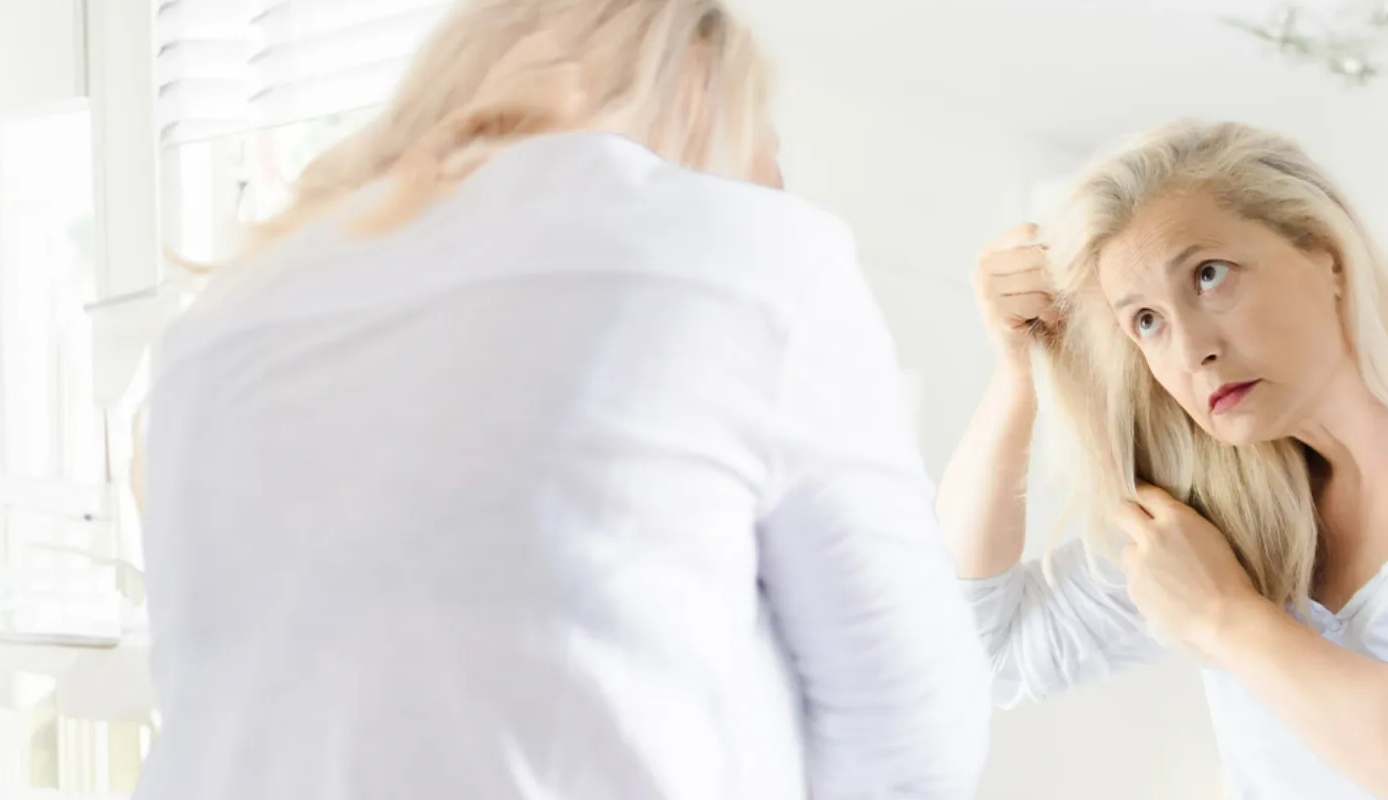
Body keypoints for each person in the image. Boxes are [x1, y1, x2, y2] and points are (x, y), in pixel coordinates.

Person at [133, 2, 987, 798]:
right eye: (760, 162)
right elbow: (912, 739)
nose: (771, 195)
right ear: (692, 94)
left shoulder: (217, 328)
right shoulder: (744, 258)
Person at [941, 120, 1388, 799]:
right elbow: (983, 649)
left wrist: (1225, 616)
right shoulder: (1225, 511)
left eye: (1207, 275)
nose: (1191, 349)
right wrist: (1015, 377)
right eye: (1147, 321)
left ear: (1326, 254)